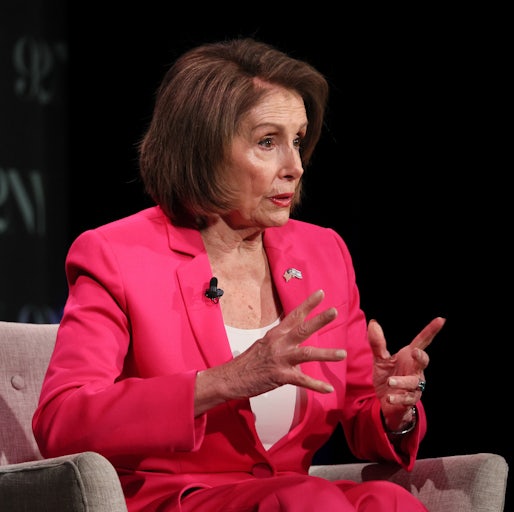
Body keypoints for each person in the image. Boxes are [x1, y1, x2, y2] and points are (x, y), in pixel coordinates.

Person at [32, 38, 445, 512]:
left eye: (297, 140)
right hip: (176, 498)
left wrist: (393, 411)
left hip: (291, 497)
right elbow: (60, 422)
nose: (295, 166)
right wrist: (225, 380)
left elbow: (357, 409)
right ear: (202, 148)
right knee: (307, 498)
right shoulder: (115, 255)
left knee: (389, 502)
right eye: (267, 142)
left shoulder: (323, 252)